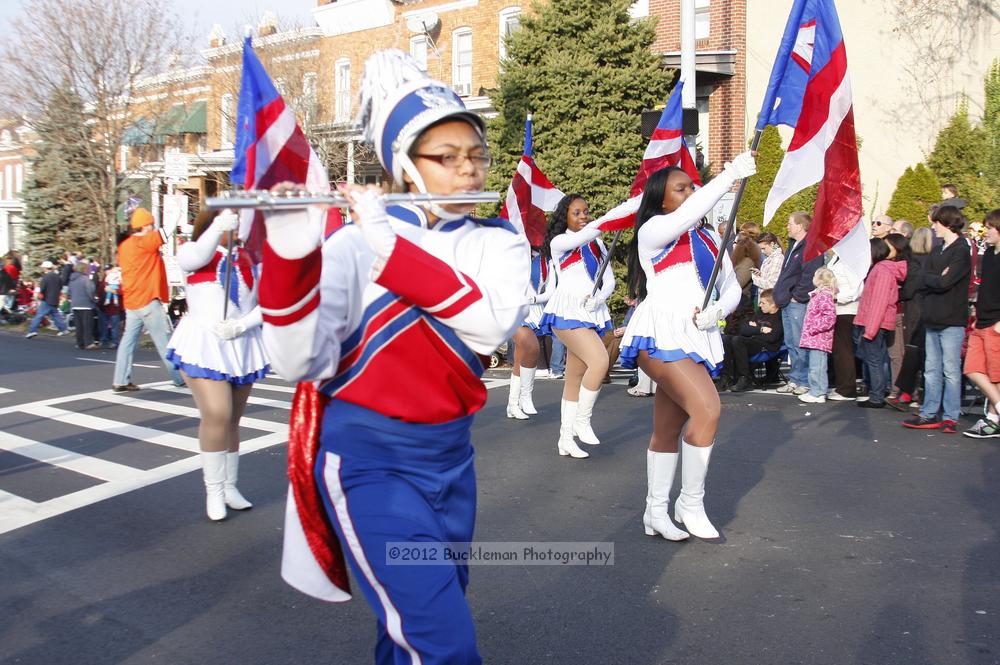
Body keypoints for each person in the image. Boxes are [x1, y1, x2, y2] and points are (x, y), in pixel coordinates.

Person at [258, 50, 529, 664]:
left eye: (476, 155)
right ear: (406, 167)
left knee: (411, 624)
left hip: (452, 458)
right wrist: (290, 258)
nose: (467, 170)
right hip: (368, 462)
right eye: (447, 157)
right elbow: (299, 361)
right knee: (443, 643)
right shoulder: (354, 242)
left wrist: (387, 246)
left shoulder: (499, 244)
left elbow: (488, 324)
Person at [620, 154, 755, 541]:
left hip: (696, 334)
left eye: (692, 186)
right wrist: (728, 175)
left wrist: (717, 311)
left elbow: (730, 286)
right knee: (708, 409)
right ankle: (690, 503)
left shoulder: (711, 237)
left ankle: (655, 512)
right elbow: (689, 213)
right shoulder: (654, 230)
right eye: (681, 188)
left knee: (669, 426)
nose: (691, 193)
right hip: (660, 333)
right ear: (661, 200)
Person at [166, 210, 269, 521]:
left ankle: (229, 487)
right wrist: (216, 228)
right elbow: (194, 257)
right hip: (204, 345)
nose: (239, 227)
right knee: (217, 414)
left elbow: (271, 301)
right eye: (233, 221)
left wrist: (243, 325)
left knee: (233, 421)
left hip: (240, 343)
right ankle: (213, 490)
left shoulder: (251, 262)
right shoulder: (193, 251)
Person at [538, 194, 615, 459]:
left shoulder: (598, 243)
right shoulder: (562, 241)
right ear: (565, 217)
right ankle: (583, 420)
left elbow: (610, 281)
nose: (583, 216)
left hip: (589, 312)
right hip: (567, 312)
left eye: (586, 211)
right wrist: (613, 219)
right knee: (600, 361)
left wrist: (600, 298)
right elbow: (579, 239)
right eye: (577, 212)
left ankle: (565, 439)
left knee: (574, 377)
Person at [902, 206, 972, 433]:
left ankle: (950, 416)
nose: (933, 227)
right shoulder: (938, 249)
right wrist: (935, 279)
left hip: (951, 319)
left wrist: (934, 280)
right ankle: (929, 412)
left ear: (947, 223)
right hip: (932, 317)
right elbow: (924, 279)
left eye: (936, 223)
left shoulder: (961, 249)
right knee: (931, 369)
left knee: (950, 370)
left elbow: (947, 282)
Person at [112, 207, 185, 392]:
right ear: (146, 225)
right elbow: (165, 232)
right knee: (165, 341)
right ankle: (178, 378)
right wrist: (176, 215)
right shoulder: (144, 241)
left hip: (132, 301)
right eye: (151, 224)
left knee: (128, 342)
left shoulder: (124, 246)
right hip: (149, 300)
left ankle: (120, 380)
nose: (153, 227)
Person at [773, 212, 823, 395]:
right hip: (787, 302)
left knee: (800, 343)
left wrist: (797, 296)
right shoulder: (794, 245)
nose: (787, 226)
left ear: (800, 226)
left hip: (797, 302)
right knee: (791, 342)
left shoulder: (811, 246)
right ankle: (795, 379)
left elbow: (810, 274)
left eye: (790, 223)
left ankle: (804, 381)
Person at [855, 236, 908, 409]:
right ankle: (878, 392)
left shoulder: (882, 270)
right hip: (877, 321)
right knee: (875, 359)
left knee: (874, 360)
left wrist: (870, 330)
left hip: (876, 322)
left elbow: (879, 301)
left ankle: (877, 396)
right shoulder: (882, 269)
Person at [962, 209, 1000, 438]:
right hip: (982, 321)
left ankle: (993, 420)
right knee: (972, 369)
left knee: (996, 376)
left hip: (996, 323)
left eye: (990, 228)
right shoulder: (991, 256)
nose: (985, 232)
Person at [888, 227, 933, 409]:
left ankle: (907, 392)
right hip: (928, 307)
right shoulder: (932, 261)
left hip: (913, 308)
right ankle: (917, 393)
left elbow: (910, 288)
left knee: (911, 351)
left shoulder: (914, 263)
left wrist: (898, 293)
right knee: (923, 354)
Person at [506, 247, 554, 419]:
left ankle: (513, 404)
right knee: (531, 347)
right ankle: (526, 396)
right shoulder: (508, 255)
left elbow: (551, 291)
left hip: (535, 311)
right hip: (512, 309)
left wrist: (533, 299)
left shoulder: (545, 260)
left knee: (521, 356)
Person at [719, 289, 783, 393]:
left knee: (738, 340)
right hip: (753, 341)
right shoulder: (760, 314)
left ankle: (745, 378)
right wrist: (760, 329)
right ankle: (726, 376)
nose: (760, 305)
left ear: (773, 304)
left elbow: (772, 337)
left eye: (763, 303)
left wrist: (753, 331)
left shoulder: (779, 317)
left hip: (767, 346)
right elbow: (743, 329)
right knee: (726, 338)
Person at [826, 248, 864, 400]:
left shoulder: (848, 261)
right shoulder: (836, 258)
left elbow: (857, 288)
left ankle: (847, 389)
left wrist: (837, 297)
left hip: (846, 309)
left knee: (844, 350)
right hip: (836, 309)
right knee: (838, 350)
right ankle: (843, 385)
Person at [797, 268, 838, 403]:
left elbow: (829, 317)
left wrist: (814, 328)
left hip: (819, 338)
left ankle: (819, 392)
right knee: (814, 366)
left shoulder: (824, 295)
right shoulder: (818, 295)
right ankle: (815, 390)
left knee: (818, 367)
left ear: (820, 279)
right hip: (814, 338)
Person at [24, 260, 70, 338]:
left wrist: (38, 295)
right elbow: (60, 287)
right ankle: (63, 329)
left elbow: (42, 289)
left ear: (45, 268)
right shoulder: (57, 276)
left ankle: (32, 331)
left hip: (47, 299)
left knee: (39, 315)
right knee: (55, 315)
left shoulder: (46, 277)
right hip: (55, 299)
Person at [68, 262, 99, 349]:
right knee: (87, 325)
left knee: (79, 325)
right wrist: (94, 300)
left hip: (75, 304)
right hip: (86, 304)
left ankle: (79, 342)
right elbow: (91, 291)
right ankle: (88, 343)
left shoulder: (72, 280)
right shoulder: (85, 279)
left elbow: (69, 292)